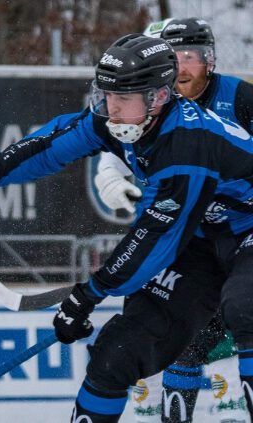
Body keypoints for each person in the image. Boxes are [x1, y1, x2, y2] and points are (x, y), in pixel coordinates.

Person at [0, 34, 253, 422]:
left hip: (244, 232)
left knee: (245, 308)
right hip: (202, 239)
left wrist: (91, 293)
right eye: (107, 95)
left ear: (158, 96)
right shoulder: (118, 120)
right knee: (114, 354)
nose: (112, 107)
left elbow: (155, 238)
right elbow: (49, 146)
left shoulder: (188, 145)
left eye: (123, 98)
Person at [91, 18, 253, 422]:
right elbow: (109, 147)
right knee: (179, 334)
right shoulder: (148, 104)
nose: (180, 66)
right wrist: (111, 179)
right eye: (172, 56)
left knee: (244, 307)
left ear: (209, 61)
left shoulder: (239, 98)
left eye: (189, 56)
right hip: (192, 242)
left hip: (244, 231)